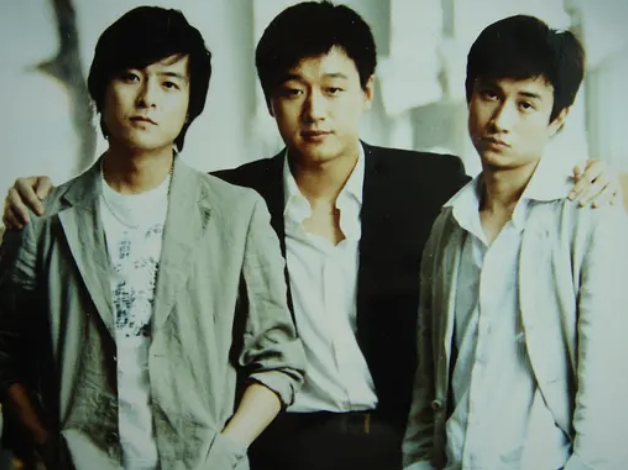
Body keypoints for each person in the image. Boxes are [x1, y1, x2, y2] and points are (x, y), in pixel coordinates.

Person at [1, 2, 622, 470]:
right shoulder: (232, 200)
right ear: (271, 102)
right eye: (294, 91)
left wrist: (608, 178)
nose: (315, 110)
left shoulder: (433, 184)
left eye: (333, 89)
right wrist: (35, 198)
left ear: (367, 93)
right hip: (278, 448)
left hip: (395, 443)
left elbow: (508, 201)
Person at [0, 7, 304, 470]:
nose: (147, 98)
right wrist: (48, 445)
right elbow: (5, 354)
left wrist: (223, 452)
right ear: (101, 90)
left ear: (190, 105)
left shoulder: (237, 213)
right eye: (130, 77)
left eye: (169, 83)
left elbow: (278, 360)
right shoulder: (44, 218)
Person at [402, 15, 628, 470]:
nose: (501, 120)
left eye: (526, 104)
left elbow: (607, 403)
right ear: (469, 97)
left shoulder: (589, 217)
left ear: (558, 118)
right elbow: (429, 391)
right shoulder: (448, 227)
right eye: (490, 95)